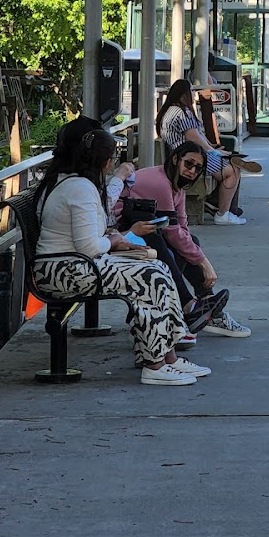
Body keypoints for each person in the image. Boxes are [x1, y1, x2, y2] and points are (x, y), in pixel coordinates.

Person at [33, 127, 209, 386]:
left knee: (157, 266)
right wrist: (116, 240)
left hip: (72, 265)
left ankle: (167, 356)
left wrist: (119, 238)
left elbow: (96, 229)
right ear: (102, 161)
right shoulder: (80, 188)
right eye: (112, 158)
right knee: (151, 276)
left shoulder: (78, 184)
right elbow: (89, 247)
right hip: (65, 271)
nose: (113, 163)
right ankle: (154, 363)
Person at [126, 142, 251, 338]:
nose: (192, 171)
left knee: (189, 242)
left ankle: (200, 309)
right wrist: (204, 263)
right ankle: (189, 308)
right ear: (175, 159)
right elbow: (173, 232)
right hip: (121, 232)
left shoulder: (177, 187)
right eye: (188, 164)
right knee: (166, 247)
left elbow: (182, 228)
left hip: (143, 231)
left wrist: (197, 255)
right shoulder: (159, 182)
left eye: (198, 168)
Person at [156, 79, 256, 226]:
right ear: (184, 94)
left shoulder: (171, 110)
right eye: (191, 91)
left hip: (183, 156)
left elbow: (197, 137)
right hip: (191, 159)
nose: (194, 94)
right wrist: (213, 151)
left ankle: (222, 206)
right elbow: (194, 137)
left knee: (231, 160)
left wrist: (213, 147)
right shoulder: (182, 112)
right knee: (233, 170)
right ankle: (223, 213)